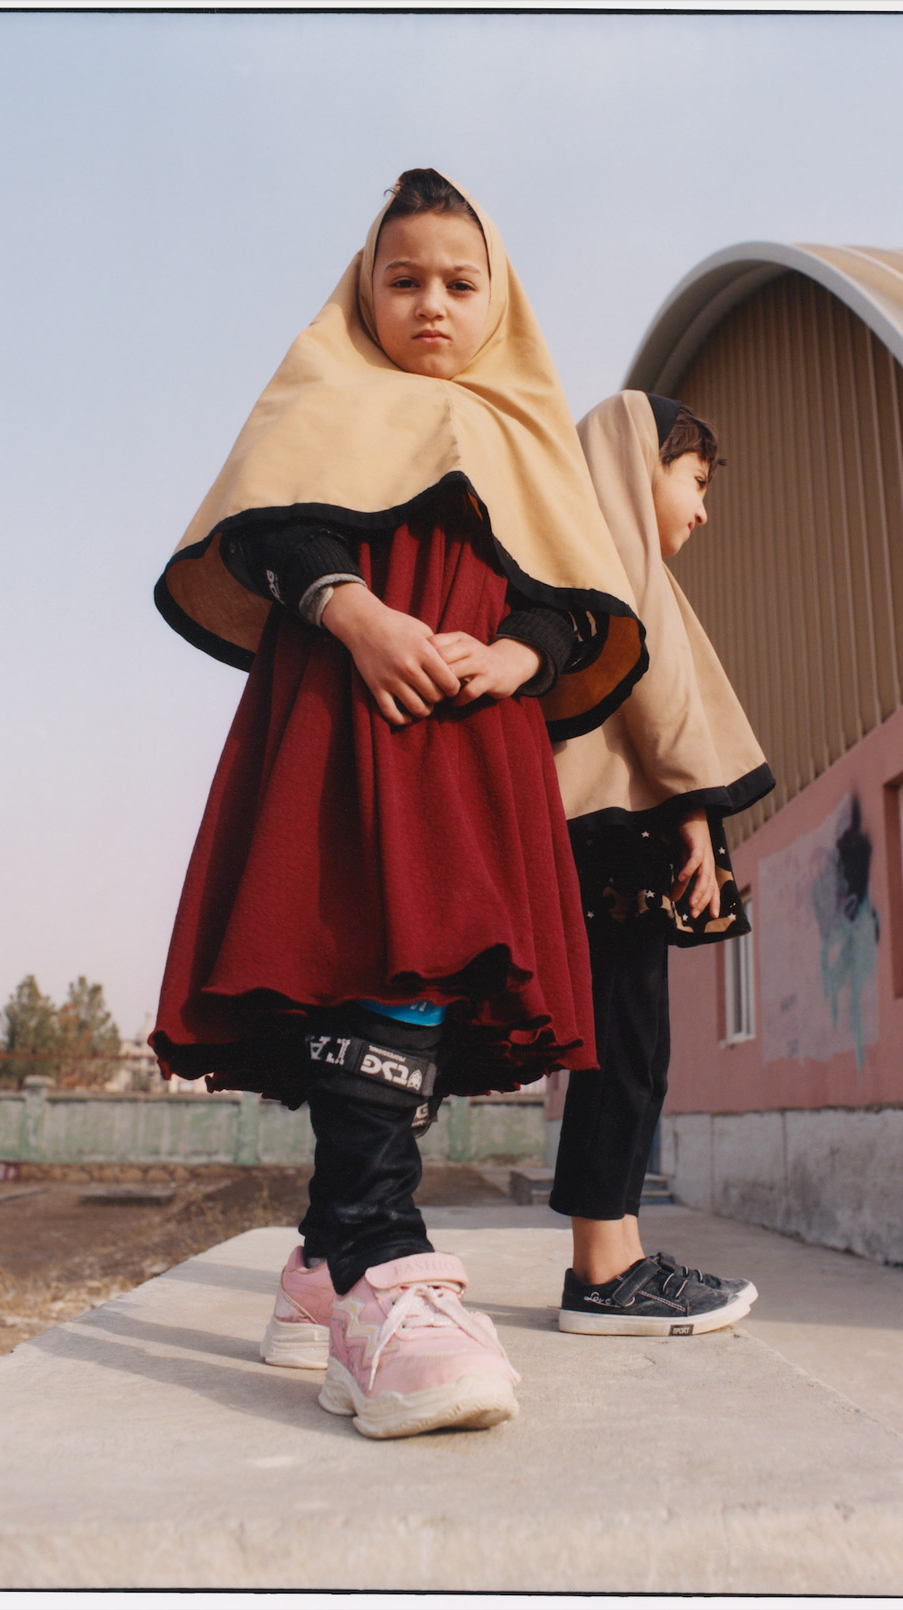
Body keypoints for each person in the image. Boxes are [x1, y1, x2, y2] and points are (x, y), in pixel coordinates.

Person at [150, 171, 646, 1438]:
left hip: (473, 735)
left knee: (427, 954)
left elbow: (567, 588)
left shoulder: (524, 424)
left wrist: (525, 656)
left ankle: (326, 1262)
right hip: (347, 702)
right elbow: (268, 528)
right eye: (403, 278)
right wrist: (357, 611)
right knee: (356, 950)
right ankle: (378, 1266)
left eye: (459, 282)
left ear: (501, 300)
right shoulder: (327, 392)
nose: (432, 303)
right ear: (364, 292)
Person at [546, 390, 776, 1336]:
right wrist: (692, 811)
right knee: (625, 1045)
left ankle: (621, 1249)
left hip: (607, 825)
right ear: (640, 465)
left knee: (632, 1046)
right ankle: (603, 1270)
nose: (704, 506)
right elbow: (660, 703)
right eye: (695, 478)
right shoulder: (611, 566)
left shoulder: (590, 558)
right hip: (609, 827)